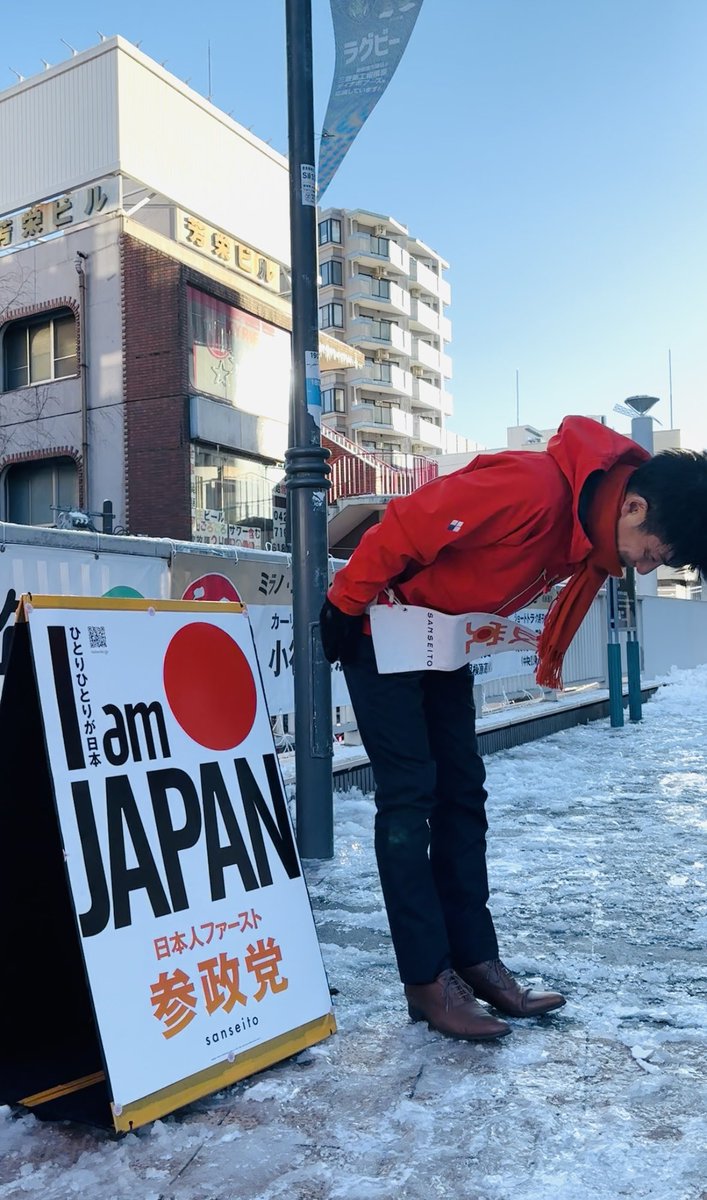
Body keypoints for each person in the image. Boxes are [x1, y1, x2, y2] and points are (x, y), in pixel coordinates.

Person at [320, 415, 707, 1041]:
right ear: (633, 507)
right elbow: (407, 524)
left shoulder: (584, 532)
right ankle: (427, 980)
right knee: (409, 800)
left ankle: (475, 959)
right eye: (652, 554)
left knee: (462, 795)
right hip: (381, 630)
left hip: (440, 641)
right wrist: (343, 604)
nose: (641, 568)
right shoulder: (532, 488)